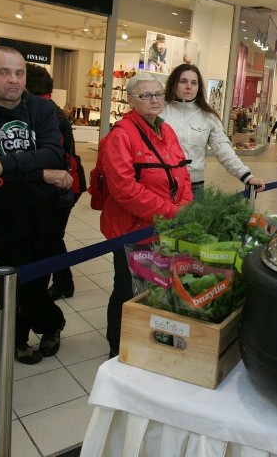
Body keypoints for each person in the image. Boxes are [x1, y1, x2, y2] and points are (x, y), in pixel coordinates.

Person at [0, 46, 69, 365]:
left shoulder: (40, 108)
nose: (13, 80)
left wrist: (4, 166)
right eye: (4, 72)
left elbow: (53, 154)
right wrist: (41, 173)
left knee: (39, 274)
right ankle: (50, 324)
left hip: (44, 209)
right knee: (19, 277)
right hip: (1, 210)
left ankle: (25, 335)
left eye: (19, 73)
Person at [98, 73, 193, 358]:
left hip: (163, 227)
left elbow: (182, 172)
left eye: (159, 95)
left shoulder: (166, 131)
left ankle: (145, 338)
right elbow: (124, 189)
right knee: (126, 290)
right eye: (147, 96)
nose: (155, 100)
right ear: (130, 100)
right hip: (132, 229)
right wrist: (172, 212)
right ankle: (117, 347)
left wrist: (186, 203)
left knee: (156, 285)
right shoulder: (121, 135)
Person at [161, 63, 265, 197]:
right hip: (160, 184)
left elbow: (223, 150)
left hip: (193, 187)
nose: (189, 86)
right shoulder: (159, 112)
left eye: (194, 83)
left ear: (198, 88)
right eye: (183, 81)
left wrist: (246, 176)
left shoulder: (208, 116)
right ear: (173, 84)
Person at [25, 63, 79, 301]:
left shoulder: (44, 112)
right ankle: (61, 282)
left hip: (58, 186)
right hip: (64, 184)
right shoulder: (50, 109)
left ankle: (62, 284)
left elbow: (52, 155)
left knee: (50, 239)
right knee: (50, 238)